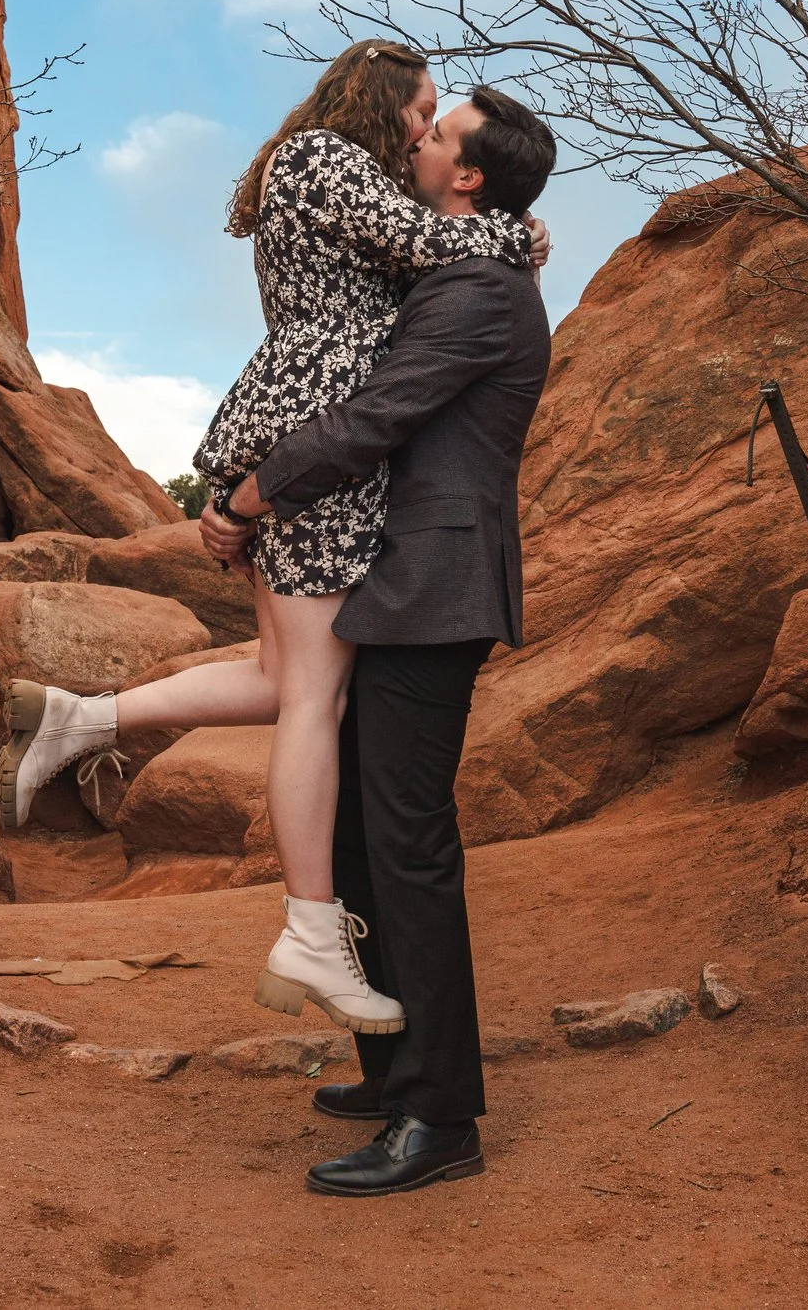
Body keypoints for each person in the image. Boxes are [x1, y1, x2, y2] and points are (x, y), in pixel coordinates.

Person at [0, 42, 542, 1041]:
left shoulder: (312, 165)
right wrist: (513, 235)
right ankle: (309, 931)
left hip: (293, 427)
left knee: (276, 673)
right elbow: (436, 250)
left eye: (436, 123)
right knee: (313, 694)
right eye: (422, 110)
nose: (423, 130)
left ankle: (80, 722)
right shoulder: (329, 162)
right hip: (316, 435)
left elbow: (421, 243)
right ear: (384, 100)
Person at [205, 82, 555, 1197]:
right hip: (391, 585)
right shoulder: (460, 266)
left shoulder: (476, 291)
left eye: (439, 135)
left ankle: (440, 1115)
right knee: (358, 833)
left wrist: (247, 499)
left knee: (406, 842)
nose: (418, 138)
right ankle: (393, 1065)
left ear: (468, 178)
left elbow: (371, 420)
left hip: (433, 592)